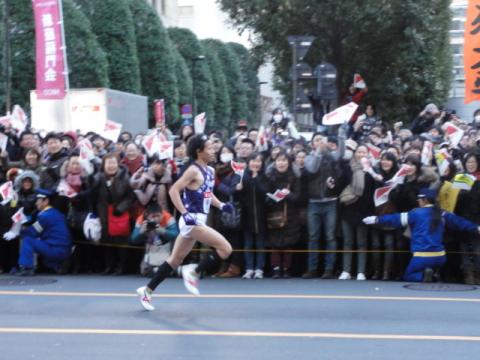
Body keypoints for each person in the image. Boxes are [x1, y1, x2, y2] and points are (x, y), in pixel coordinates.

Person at [136, 134, 234, 311]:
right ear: (199, 151)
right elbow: (174, 191)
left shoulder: (210, 171)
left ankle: (147, 290)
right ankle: (194, 271)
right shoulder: (192, 170)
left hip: (199, 218)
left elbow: (206, 194)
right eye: (209, 147)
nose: (213, 150)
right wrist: (185, 213)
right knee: (226, 249)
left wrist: (221, 205)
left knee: (174, 260)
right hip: (192, 220)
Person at [362, 188, 480, 282]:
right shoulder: (442, 213)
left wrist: (376, 219)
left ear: (425, 200)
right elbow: (460, 222)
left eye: (419, 199)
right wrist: (476, 228)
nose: (417, 201)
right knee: (430, 265)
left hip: (421, 257)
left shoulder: (415, 213)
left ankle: (426, 276)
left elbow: (395, 219)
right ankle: (433, 272)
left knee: (409, 275)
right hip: (440, 257)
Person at [7, 189, 72, 276]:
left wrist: (16, 232)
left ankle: (27, 268)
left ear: (46, 201)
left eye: (38, 200)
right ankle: (59, 266)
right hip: (65, 249)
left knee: (28, 240)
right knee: (44, 253)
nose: (36, 203)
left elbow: (32, 233)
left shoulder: (44, 216)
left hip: (55, 250)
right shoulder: (56, 212)